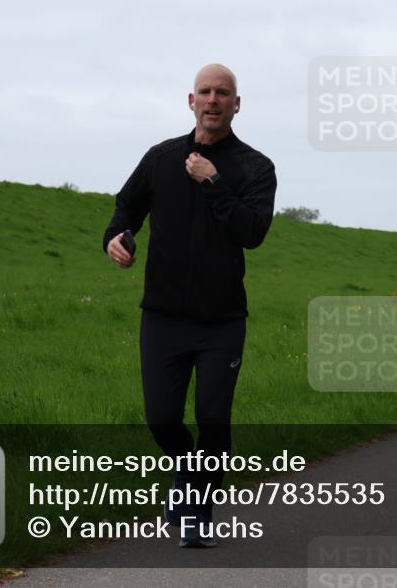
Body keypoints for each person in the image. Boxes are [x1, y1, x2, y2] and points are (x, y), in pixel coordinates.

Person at [102, 64, 277, 547]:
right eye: (205, 92)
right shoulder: (161, 158)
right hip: (162, 316)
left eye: (223, 93)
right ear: (190, 100)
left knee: (213, 418)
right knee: (161, 418)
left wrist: (213, 181)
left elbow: (253, 233)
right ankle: (186, 477)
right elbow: (126, 207)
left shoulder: (254, 167)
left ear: (236, 104)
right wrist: (116, 237)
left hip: (221, 320)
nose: (213, 99)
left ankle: (196, 512)